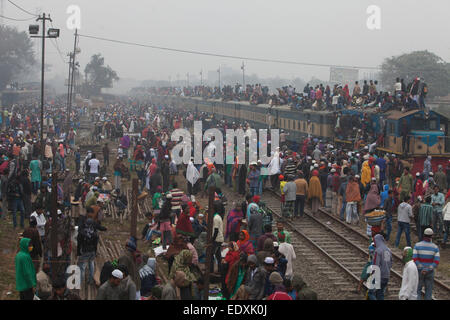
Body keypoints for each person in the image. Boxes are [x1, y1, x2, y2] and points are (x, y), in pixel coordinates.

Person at [413, 228, 440, 300]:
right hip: (430, 272)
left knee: (418, 290)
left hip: (419, 271)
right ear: (432, 236)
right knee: (428, 291)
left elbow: (415, 259)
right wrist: (428, 269)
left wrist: (422, 268)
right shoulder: (435, 247)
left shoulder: (417, 245)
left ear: (423, 235)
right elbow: (436, 261)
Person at [372, 234, 392, 300]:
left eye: (374, 241)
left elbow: (376, 265)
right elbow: (390, 263)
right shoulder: (388, 250)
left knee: (372, 293)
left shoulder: (378, 251)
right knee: (381, 293)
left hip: (379, 276)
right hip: (386, 275)